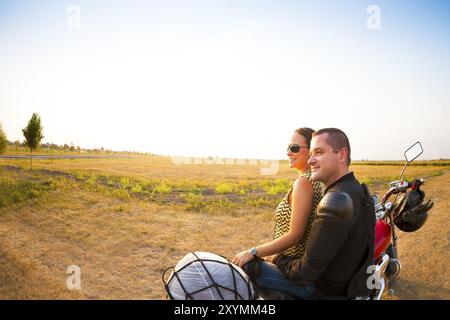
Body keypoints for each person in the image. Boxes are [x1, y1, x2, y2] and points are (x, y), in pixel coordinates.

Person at [232, 127, 325, 299]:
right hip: (292, 265)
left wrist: (253, 251)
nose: (289, 152)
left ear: (310, 150)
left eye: (295, 148)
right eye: (288, 148)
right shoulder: (317, 180)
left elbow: (295, 236)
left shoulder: (303, 183)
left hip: (293, 273)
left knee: (234, 273)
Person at [283, 128, 376, 299]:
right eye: (311, 153)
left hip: (326, 294)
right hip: (352, 290)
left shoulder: (337, 201)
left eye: (319, 152)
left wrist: (276, 258)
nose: (311, 160)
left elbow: (303, 273)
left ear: (341, 155)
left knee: (252, 271)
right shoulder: (358, 189)